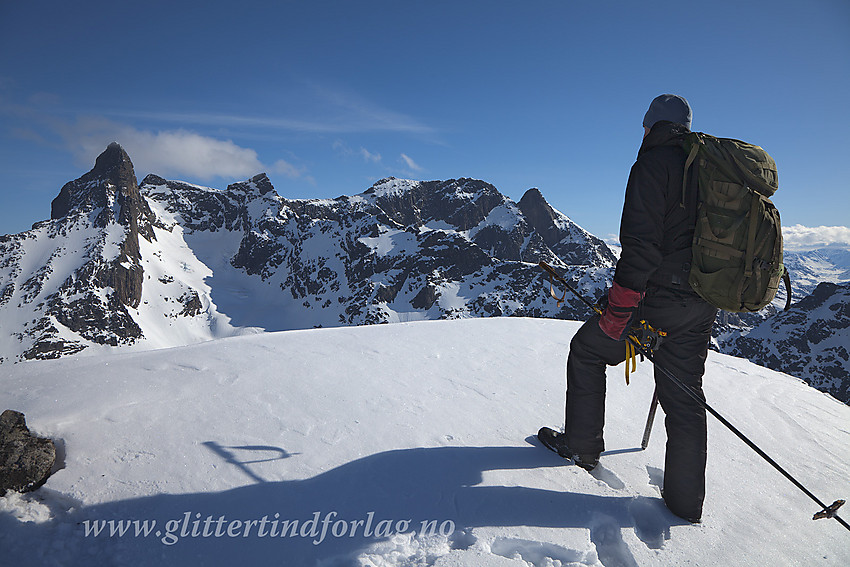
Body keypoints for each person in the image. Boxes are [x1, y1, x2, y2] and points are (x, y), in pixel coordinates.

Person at [539, 94, 718, 523]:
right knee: (686, 398)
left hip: (658, 303)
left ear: (650, 125)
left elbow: (640, 248)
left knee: (586, 349)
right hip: (704, 304)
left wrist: (618, 311)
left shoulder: (653, 165)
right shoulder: (711, 170)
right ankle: (685, 505)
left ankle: (581, 446)